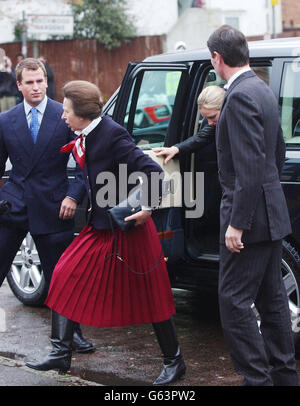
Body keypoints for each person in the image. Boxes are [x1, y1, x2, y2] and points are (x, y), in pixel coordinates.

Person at [25, 80, 186, 386]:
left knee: (152, 297)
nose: (62, 116)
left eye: (66, 110)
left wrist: (147, 207)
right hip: (99, 227)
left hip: (130, 229)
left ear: (82, 113)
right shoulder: (84, 134)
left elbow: (155, 174)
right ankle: (61, 352)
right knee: (63, 274)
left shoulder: (112, 134)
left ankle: (175, 362)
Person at [207, 25, 299, 386]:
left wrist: (237, 223)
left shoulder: (241, 94)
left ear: (217, 58)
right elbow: (274, 153)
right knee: (272, 300)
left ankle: (256, 380)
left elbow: (248, 166)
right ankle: (284, 377)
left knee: (232, 301)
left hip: (249, 220)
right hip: (270, 215)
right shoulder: (260, 88)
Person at [0, 58, 94, 354]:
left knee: (62, 277)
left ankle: (72, 334)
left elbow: (84, 164)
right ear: (19, 86)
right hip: (13, 206)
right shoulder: (6, 120)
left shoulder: (64, 115)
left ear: (46, 81)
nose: (36, 87)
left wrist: (73, 196)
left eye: (40, 80)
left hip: (55, 206)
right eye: (29, 82)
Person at [153, 85, 224, 164]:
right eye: (206, 118)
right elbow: (202, 137)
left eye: (212, 117)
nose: (209, 123)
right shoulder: (214, 125)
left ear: (225, 107)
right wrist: (175, 149)